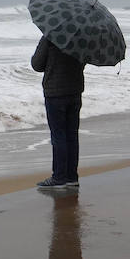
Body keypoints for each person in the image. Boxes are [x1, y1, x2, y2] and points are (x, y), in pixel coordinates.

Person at [31, 35, 85, 190]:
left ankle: (59, 177)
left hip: (55, 92)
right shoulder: (83, 38)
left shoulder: (50, 37)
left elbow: (37, 64)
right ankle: (71, 177)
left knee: (59, 135)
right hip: (75, 91)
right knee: (72, 135)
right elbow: (83, 62)